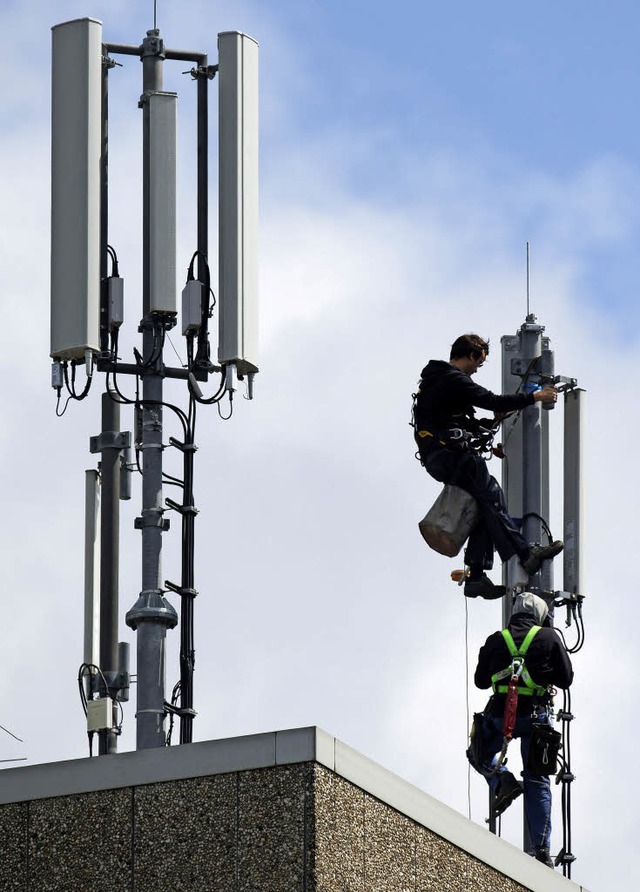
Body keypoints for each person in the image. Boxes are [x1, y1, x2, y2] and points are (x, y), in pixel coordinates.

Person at [413, 333, 563, 599]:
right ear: (471, 355)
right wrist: (535, 396)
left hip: (439, 456)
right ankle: (526, 554)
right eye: (478, 364)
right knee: (493, 497)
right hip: (451, 456)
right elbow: (492, 400)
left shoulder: (437, 382)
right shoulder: (453, 379)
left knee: (485, 507)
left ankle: (476, 576)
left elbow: (452, 419)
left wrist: (482, 426)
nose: (476, 370)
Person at [471, 591, 573, 867]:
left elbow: (481, 681)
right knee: (537, 779)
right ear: (540, 616)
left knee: (478, 752)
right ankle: (541, 851)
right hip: (537, 717)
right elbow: (566, 679)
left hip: (500, 715)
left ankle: (502, 780)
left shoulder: (495, 640)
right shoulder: (549, 638)